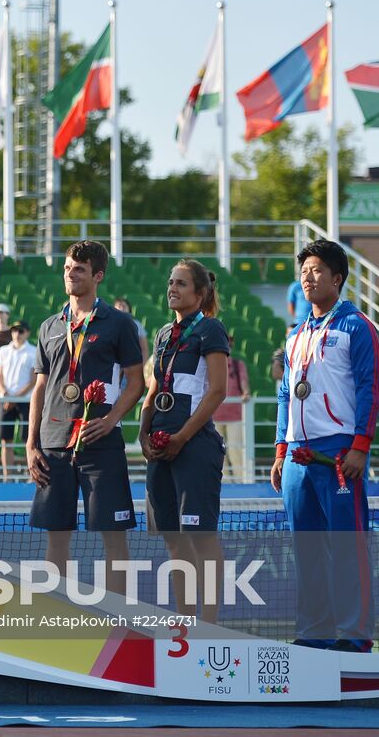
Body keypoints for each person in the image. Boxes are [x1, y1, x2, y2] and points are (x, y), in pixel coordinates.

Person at [271, 239, 379, 652]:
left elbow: (371, 390)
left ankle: (354, 636)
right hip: (297, 455)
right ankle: (314, 632)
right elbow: (285, 394)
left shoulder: (357, 326)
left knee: (347, 548)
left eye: (317, 270)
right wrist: (280, 449)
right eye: (304, 271)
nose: (307, 277)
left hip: (338, 452)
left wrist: (359, 446)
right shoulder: (297, 334)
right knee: (308, 552)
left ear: (338, 278)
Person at [26, 241, 144, 591]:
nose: (70, 274)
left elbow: (136, 383)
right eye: (67, 268)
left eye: (79, 269)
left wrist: (110, 421)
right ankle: (56, 615)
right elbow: (40, 389)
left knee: (113, 538)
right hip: (54, 445)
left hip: (100, 444)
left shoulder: (120, 323)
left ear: (98, 275)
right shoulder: (50, 325)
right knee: (56, 539)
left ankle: (117, 620)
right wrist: (32, 445)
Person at [138, 260, 230, 623]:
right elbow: (153, 389)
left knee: (201, 537)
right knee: (173, 539)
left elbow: (218, 391)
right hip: (160, 448)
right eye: (170, 282)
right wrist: (143, 435)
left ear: (200, 292)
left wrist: (181, 437)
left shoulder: (211, 329)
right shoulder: (163, 335)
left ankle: (209, 625)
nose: (172, 288)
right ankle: (184, 620)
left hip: (194, 446)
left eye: (180, 283)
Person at [0, 322, 38, 482]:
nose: (16, 334)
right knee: (6, 439)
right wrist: (5, 393)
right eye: (14, 330)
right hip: (7, 399)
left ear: (27, 333)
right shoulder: (3, 351)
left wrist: (15, 397)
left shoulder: (33, 351)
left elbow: (34, 380)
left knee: (29, 439)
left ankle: (32, 475)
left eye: (20, 331)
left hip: (25, 400)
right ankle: (8, 477)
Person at [212, 332, 251, 482]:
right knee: (219, 452)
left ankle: (241, 481)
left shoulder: (237, 365)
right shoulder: (211, 364)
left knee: (235, 450)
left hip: (234, 415)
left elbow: (244, 385)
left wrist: (246, 393)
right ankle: (224, 482)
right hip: (214, 414)